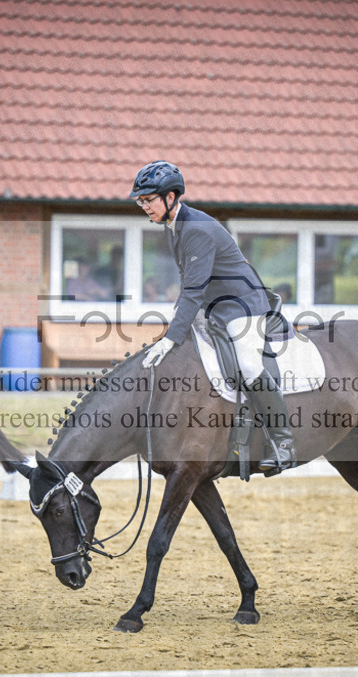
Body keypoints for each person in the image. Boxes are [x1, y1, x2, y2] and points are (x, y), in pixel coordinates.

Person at [131, 160, 295, 473]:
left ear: (170, 197)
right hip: (215, 306)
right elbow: (190, 283)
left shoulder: (196, 229)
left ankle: (283, 441)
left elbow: (194, 289)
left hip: (243, 304)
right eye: (141, 201)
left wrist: (170, 337)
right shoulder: (175, 225)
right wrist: (177, 322)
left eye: (148, 200)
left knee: (248, 364)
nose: (144, 206)